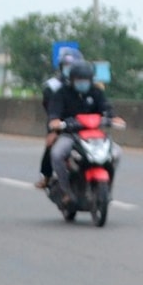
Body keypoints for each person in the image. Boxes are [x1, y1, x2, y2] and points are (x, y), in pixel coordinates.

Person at [47, 60, 116, 184]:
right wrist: (55, 120)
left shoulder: (96, 92)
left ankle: (108, 186)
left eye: (86, 80)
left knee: (116, 154)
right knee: (57, 154)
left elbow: (105, 108)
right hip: (70, 134)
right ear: (72, 79)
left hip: (94, 135)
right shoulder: (62, 93)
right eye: (79, 79)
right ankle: (66, 188)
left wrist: (112, 118)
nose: (83, 83)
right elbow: (55, 111)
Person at [37, 47, 83, 188]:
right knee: (52, 144)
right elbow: (49, 106)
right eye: (67, 66)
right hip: (59, 120)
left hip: (81, 122)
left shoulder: (83, 84)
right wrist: (56, 125)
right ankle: (46, 175)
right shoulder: (52, 86)